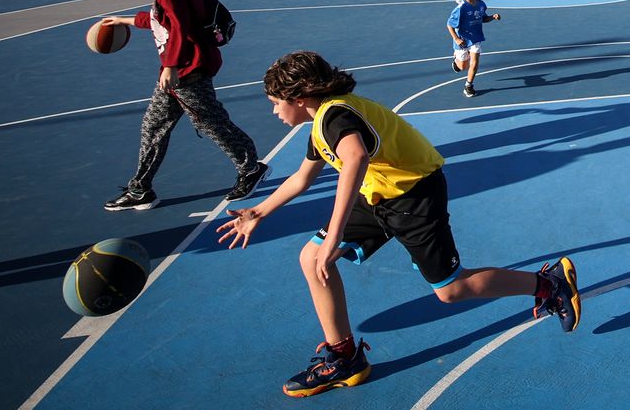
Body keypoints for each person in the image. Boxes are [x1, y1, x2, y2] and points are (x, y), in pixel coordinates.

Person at [217, 50, 579, 398]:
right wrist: (258, 212)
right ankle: (345, 358)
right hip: (379, 195)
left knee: (451, 291)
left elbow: (355, 158)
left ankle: (548, 285)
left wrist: (336, 233)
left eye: (275, 101)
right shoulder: (321, 124)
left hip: (414, 196)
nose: (273, 110)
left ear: (298, 97)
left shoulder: (336, 117)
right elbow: (302, 178)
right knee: (311, 259)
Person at [97, 0, 268, 210]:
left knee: (210, 122)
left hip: (187, 69)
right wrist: (126, 20)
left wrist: (170, 66)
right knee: (154, 127)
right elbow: (161, 20)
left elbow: (179, 27)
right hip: (182, 68)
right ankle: (140, 189)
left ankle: (250, 168)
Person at [447, 0, 500, 98]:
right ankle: (456, 61)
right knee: (462, 67)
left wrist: (492, 17)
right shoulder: (461, 8)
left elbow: (483, 18)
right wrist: (456, 39)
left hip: (476, 38)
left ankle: (469, 86)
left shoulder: (481, 4)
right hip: (462, 39)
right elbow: (449, 24)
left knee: (474, 62)